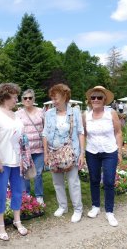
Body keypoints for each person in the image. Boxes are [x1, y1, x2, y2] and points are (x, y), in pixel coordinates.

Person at [0, 83, 28, 241]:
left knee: (18, 191)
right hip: (3, 161)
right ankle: (0, 224)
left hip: (18, 160)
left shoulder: (16, 115)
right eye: (14, 96)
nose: (16, 99)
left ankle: (17, 221)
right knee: (1, 193)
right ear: (5, 97)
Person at [42, 83, 85, 222]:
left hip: (71, 153)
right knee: (57, 182)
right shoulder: (49, 113)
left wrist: (82, 153)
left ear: (65, 96)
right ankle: (63, 206)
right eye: (52, 98)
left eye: (56, 98)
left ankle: (78, 209)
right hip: (53, 152)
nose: (54, 101)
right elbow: (45, 133)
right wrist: (46, 154)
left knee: (73, 181)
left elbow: (80, 133)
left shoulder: (75, 112)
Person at [83, 86, 123, 227]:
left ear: (104, 99)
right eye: (93, 97)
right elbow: (84, 135)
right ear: (90, 100)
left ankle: (109, 211)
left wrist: (119, 151)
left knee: (108, 180)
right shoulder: (86, 115)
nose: (96, 100)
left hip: (109, 151)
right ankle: (95, 207)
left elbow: (118, 132)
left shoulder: (111, 113)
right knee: (93, 179)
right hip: (92, 152)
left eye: (99, 97)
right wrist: (82, 152)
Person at [16, 89, 45, 204]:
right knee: (25, 173)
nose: (28, 100)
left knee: (38, 173)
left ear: (34, 99)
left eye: (30, 98)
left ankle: (39, 195)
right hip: (25, 150)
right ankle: (26, 194)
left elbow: (46, 128)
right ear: (22, 100)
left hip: (39, 148)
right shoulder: (18, 114)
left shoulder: (41, 112)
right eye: (25, 98)